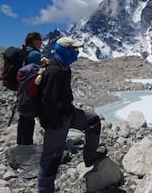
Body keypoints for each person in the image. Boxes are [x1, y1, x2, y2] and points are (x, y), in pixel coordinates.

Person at [38, 36, 106, 193]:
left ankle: (89, 156)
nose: (77, 53)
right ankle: (44, 190)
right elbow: (48, 103)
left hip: (68, 113)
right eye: (74, 50)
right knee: (51, 157)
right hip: (58, 120)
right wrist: (56, 124)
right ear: (64, 51)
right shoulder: (54, 71)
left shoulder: (63, 68)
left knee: (93, 120)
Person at [17, 32, 43, 145]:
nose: (41, 42)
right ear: (33, 41)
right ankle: (27, 146)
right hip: (30, 88)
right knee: (30, 117)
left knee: (23, 117)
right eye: (39, 40)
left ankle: (20, 143)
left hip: (21, 87)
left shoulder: (24, 51)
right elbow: (36, 73)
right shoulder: (35, 55)